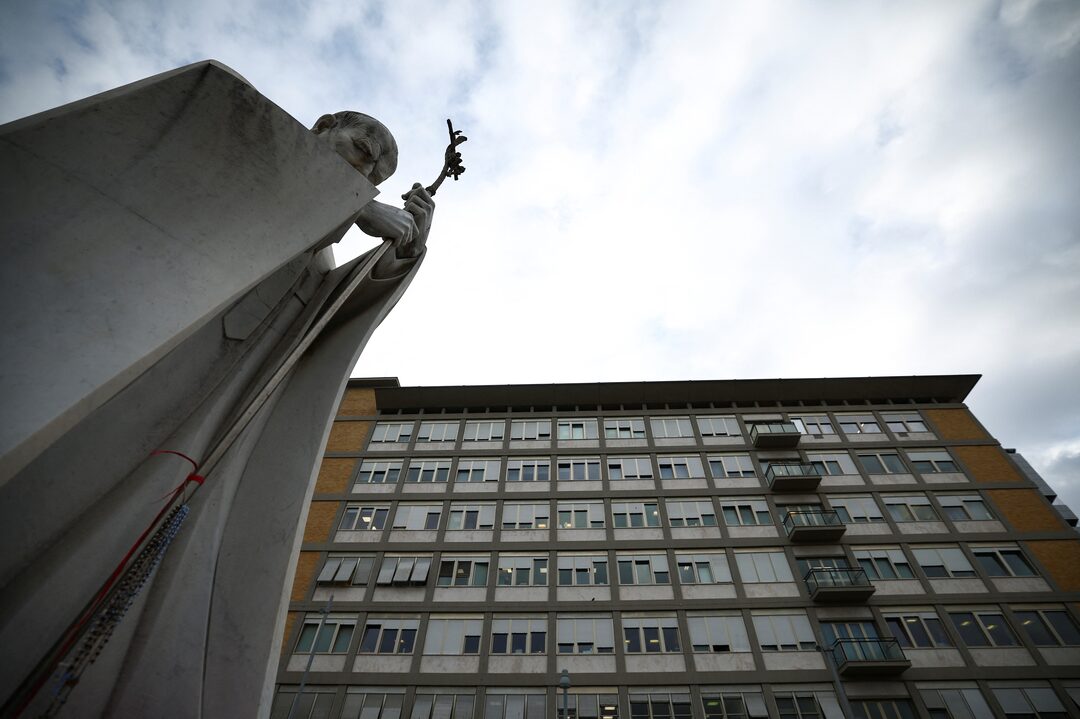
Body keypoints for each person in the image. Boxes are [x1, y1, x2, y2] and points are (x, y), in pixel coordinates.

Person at [0, 62, 438, 717]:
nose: (367, 170)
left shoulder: (318, 255)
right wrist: (348, 203)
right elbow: (248, 177)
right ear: (323, 127)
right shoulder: (240, 143)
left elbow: (327, 320)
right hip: (139, 361)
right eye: (361, 149)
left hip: (204, 416)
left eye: (377, 171)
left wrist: (400, 254)